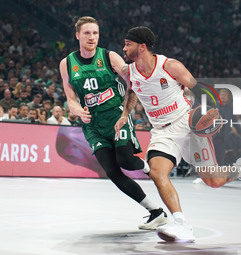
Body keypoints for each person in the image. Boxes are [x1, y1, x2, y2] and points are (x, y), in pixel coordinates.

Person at [116, 26, 241, 242]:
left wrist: (215, 113)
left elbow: (199, 88)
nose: (123, 48)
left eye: (128, 44)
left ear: (142, 47)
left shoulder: (169, 66)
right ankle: (181, 224)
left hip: (188, 125)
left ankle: (240, 169)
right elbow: (132, 91)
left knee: (213, 181)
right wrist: (125, 113)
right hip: (161, 132)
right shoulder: (129, 72)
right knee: (158, 173)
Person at [59, 16, 168, 230]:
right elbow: (70, 97)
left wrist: (126, 113)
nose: (92, 37)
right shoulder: (67, 63)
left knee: (126, 161)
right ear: (78, 35)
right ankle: (156, 212)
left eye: (95, 33)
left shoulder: (109, 57)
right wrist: (77, 109)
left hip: (116, 117)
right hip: (93, 126)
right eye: (87, 33)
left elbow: (133, 82)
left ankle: (149, 168)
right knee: (112, 172)